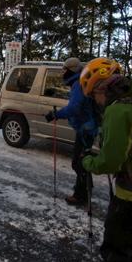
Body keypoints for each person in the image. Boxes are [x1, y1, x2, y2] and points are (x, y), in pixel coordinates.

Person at [80, 57, 132, 262]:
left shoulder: (118, 110)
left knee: (117, 252)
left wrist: (88, 161)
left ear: (101, 89)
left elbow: (110, 162)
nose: (96, 101)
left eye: (93, 95)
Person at [45, 57, 99, 206]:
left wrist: (55, 114)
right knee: (81, 160)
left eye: (64, 70)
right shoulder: (80, 82)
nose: (62, 72)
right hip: (87, 127)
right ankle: (84, 188)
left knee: (78, 162)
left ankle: (81, 195)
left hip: (85, 130)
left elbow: (74, 108)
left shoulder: (78, 84)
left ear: (71, 70)